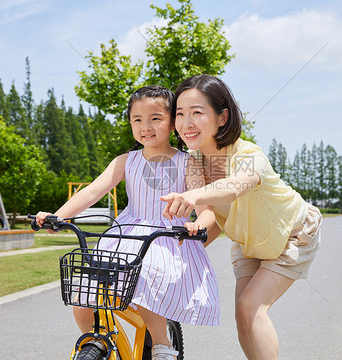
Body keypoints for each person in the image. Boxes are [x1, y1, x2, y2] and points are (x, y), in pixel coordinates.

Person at [36, 85, 219, 360]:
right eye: (137, 119)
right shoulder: (126, 160)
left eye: (155, 118)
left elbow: (206, 207)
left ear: (172, 123)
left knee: (145, 284)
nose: (146, 126)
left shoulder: (187, 163)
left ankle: (162, 346)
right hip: (125, 234)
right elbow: (92, 191)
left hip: (167, 237)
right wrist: (59, 215)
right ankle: (93, 341)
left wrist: (198, 225)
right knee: (84, 290)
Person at [160, 75, 322, 360]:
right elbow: (212, 218)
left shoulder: (247, 153)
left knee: (252, 307)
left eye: (197, 112)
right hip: (250, 241)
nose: (186, 123)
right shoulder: (195, 161)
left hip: (291, 234)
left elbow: (236, 186)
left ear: (222, 117)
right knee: (241, 314)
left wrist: (194, 197)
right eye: (180, 114)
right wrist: (179, 251)